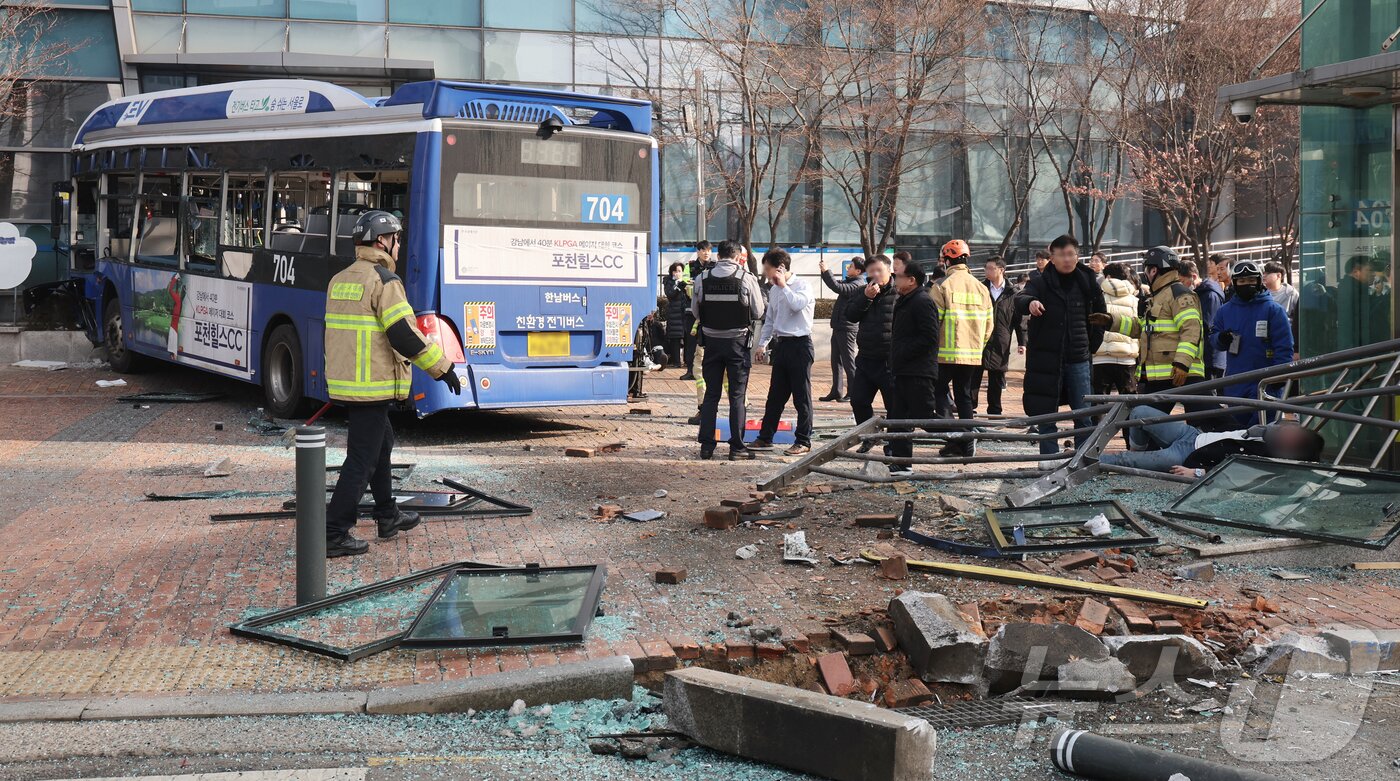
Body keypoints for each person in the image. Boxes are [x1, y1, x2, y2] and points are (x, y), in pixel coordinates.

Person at [323, 210, 460, 558]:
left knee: (381, 443)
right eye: (396, 239)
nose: (399, 245)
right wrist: (442, 368)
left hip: (349, 383)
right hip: (372, 384)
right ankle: (333, 531)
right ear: (382, 241)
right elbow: (403, 334)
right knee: (362, 459)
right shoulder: (384, 281)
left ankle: (387, 515)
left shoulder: (340, 279)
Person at [1017, 234, 1107, 457]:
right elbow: (1020, 299)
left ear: (1077, 256)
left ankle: (1082, 460)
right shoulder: (1039, 282)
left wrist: (1090, 346)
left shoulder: (1087, 281)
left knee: (1083, 415)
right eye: (1061, 255)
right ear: (1052, 257)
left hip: (1079, 358)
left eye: (1071, 254)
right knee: (1047, 416)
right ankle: (1048, 460)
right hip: (1046, 360)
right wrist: (1031, 303)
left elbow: (1101, 316)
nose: (1067, 259)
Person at [1091, 246, 1205, 413]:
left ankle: (1236, 431)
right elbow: (1145, 328)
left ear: (1153, 270)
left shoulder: (1178, 294)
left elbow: (1191, 329)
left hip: (1182, 373)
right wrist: (1111, 321)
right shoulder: (1160, 295)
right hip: (1162, 374)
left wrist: (1182, 363)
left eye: (1146, 268)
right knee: (1145, 420)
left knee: (1208, 417)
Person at [1098, 405, 1324, 478]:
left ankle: (1082, 463)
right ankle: (1138, 452)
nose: (1289, 429)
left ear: (1291, 450)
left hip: (1187, 457)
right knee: (1140, 412)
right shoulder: (1268, 432)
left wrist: (1195, 473)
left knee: (1124, 460)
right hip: (1192, 435)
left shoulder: (1266, 461)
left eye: (1294, 436)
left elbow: (1232, 475)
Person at [693, 239, 766, 460]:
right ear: (736, 257)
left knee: (711, 395)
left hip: (711, 344)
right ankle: (737, 448)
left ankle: (707, 447)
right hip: (737, 344)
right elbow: (758, 312)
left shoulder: (702, 278)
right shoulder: (746, 278)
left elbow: (696, 312)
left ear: (718, 255)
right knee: (737, 396)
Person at [929, 240, 993, 455]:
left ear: (947, 260)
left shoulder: (942, 286)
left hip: (944, 354)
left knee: (937, 391)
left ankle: (956, 436)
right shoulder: (981, 288)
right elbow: (989, 325)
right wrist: (978, 346)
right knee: (964, 396)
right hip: (972, 354)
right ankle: (967, 439)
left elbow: (933, 323)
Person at [750, 249, 816, 457]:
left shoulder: (802, 285)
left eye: (768, 269)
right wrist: (762, 344)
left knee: (801, 397)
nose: (765, 273)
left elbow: (797, 305)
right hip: (782, 346)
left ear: (780, 268)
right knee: (775, 396)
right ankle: (765, 437)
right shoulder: (774, 290)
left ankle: (803, 441)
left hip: (801, 345)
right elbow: (770, 320)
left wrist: (784, 286)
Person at [1213, 260, 1294, 424]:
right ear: (1235, 283)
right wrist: (1221, 338)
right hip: (1235, 384)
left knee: (1264, 430)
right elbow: (1213, 338)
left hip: (1266, 383)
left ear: (1259, 281)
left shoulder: (1273, 310)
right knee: (1239, 432)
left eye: (1251, 280)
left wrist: (1279, 377)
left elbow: (1284, 347)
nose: (1247, 284)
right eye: (1242, 281)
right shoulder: (1224, 311)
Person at [886, 262, 939, 478]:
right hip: (903, 369)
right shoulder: (905, 300)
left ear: (911, 280)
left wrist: (903, 352)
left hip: (918, 371)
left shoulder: (922, 301)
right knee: (898, 418)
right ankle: (902, 463)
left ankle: (963, 437)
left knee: (924, 417)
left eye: (898, 276)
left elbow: (930, 337)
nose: (895, 280)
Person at [845, 254, 898, 453]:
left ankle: (894, 444)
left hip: (889, 360)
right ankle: (870, 436)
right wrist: (866, 298)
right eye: (871, 271)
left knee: (894, 405)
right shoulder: (862, 291)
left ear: (889, 270)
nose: (875, 274)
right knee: (858, 400)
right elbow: (850, 315)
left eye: (879, 270)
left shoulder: (899, 292)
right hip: (866, 357)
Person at [974, 255, 1024, 416]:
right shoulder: (980, 288)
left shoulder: (1013, 293)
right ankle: (970, 409)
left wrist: (1022, 342)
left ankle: (994, 412)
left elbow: (1018, 320)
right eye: (986, 268)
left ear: (1001, 270)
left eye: (991, 268)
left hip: (1001, 340)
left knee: (996, 378)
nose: (987, 271)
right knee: (974, 376)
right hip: (979, 339)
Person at [819, 256, 866, 402]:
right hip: (840, 326)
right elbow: (835, 284)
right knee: (836, 361)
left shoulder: (858, 284)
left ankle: (853, 392)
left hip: (847, 328)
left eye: (851, 266)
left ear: (858, 271)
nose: (848, 268)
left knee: (848, 361)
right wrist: (824, 272)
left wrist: (827, 271)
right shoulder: (851, 281)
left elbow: (838, 287)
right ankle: (836, 391)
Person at [1092, 262, 1138, 396]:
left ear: (1108, 277)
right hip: (1127, 357)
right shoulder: (1135, 299)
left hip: (1100, 357)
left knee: (1099, 401)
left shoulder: (1097, 297)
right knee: (1129, 402)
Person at [1187, 258, 1227, 379]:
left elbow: (1209, 325)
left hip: (1212, 357)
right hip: (1207, 356)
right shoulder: (1202, 292)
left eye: (1182, 281)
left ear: (1194, 277)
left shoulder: (1210, 295)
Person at [680, 241, 713, 380]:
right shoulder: (690, 266)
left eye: (709, 250)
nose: (706, 253)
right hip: (692, 310)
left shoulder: (715, 266)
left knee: (710, 341)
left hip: (710, 310)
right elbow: (685, 283)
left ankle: (709, 371)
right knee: (691, 341)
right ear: (698, 251)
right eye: (703, 250)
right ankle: (690, 370)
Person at [1337, 255, 1375, 348]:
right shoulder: (1353, 292)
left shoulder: (1351, 288)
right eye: (1369, 270)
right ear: (1355, 272)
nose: (1373, 274)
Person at [663, 262, 691, 369]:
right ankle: (676, 362)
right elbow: (670, 294)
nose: (677, 273)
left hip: (685, 313)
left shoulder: (686, 281)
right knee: (675, 338)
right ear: (671, 272)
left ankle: (688, 361)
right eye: (675, 271)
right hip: (674, 313)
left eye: (679, 271)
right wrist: (677, 285)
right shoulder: (668, 282)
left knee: (688, 337)